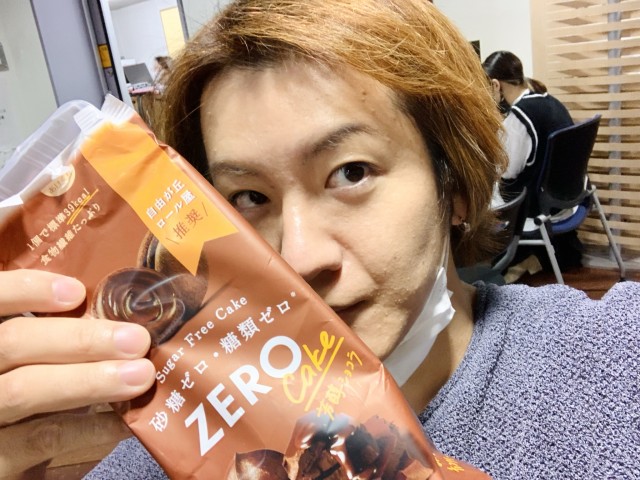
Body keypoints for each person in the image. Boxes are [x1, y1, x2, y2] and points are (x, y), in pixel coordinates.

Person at [1, 1, 638, 479]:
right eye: (247, 198)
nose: (299, 258)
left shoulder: (609, 369)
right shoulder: (161, 441)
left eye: (351, 173)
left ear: (456, 188)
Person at [483, 51, 583, 272]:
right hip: (567, 198)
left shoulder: (519, 117)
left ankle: (495, 264)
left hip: (537, 206)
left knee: (478, 192)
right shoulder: (550, 101)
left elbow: (507, 173)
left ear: (495, 85)